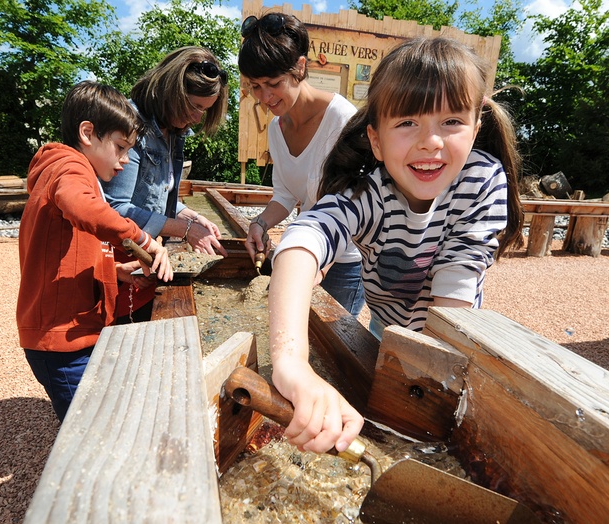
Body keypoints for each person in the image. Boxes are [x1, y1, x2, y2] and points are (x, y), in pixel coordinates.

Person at [266, 37, 525, 454]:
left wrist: (424, 389)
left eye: (452, 122)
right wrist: (292, 363)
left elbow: (456, 291)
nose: (431, 142)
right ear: (376, 140)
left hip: (452, 339)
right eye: (407, 123)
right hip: (385, 326)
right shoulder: (368, 193)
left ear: (476, 129)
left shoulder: (481, 180)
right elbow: (302, 241)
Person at [17, 80, 172, 422]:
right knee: (90, 430)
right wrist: (143, 239)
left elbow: (76, 248)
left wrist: (114, 272)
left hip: (78, 332)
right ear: (87, 133)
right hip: (60, 344)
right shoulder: (68, 168)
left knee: (101, 417)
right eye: (120, 147)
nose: (125, 160)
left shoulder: (80, 174)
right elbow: (83, 209)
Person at [238, 12, 366, 316]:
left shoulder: (343, 121)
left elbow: (358, 208)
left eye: (273, 83)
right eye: (255, 86)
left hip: (343, 263)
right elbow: (284, 197)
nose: (265, 96)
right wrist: (259, 224)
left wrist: (320, 266)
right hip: (306, 255)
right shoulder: (275, 129)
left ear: (300, 67)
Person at [101, 46, 230, 324]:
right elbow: (115, 208)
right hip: (117, 264)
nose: (198, 117)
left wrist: (193, 217)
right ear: (172, 92)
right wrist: (185, 230)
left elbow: (156, 196)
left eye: (204, 110)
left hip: (144, 261)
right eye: (195, 106)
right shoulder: (132, 123)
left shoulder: (174, 130)